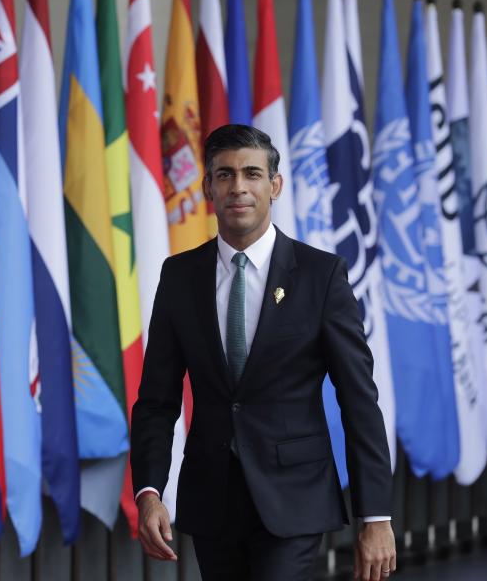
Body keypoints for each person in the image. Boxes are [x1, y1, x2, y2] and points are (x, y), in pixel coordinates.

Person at [131, 124, 396, 581]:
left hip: (294, 500)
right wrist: (149, 490)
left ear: (274, 186)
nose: (239, 187)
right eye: (225, 175)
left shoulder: (321, 275)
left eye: (252, 174)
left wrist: (376, 517)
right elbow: (157, 399)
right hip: (211, 500)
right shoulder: (179, 277)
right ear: (208, 187)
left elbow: (359, 400)